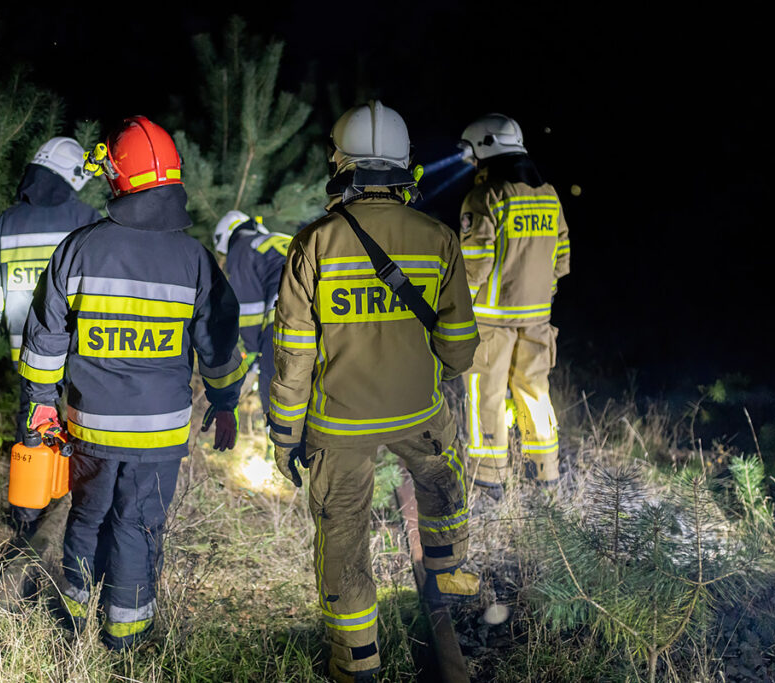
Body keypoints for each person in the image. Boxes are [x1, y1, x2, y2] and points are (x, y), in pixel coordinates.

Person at [268, 101, 480, 682]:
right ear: (405, 164)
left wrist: (285, 435)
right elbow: (459, 350)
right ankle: (446, 575)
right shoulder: (438, 238)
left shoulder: (314, 243)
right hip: (418, 412)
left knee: (343, 536)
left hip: (339, 424)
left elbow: (294, 355)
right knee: (441, 480)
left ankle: (357, 660)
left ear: (341, 163)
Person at [18, 117, 245, 650]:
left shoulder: (78, 249)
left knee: (87, 516)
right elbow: (218, 345)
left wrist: (41, 403)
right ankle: (127, 637)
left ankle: (72, 619)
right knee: (139, 525)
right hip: (159, 432)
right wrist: (225, 402)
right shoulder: (194, 259)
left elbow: (46, 337)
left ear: (116, 176)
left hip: (91, 425)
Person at [0, 137, 101, 530]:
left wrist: (6, 319)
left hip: (27, 350)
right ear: (73, 177)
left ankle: (28, 515)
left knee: (32, 425)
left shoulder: (7, 221)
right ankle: (80, 503)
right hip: (81, 348)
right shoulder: (87, 218)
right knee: (85, 424)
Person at [457, 113, 570, 496]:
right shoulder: (549, 194)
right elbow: (562, 258)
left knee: (484, 394)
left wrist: (457, 305)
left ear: (485, 148)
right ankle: (545, 473)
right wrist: (542, 295)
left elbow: (475, 264)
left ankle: (488, 477)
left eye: (472, 153)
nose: (472, 161)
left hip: (492, 321)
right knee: (535, 391)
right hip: (537, 318)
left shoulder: (485, 197)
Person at [212, 210, 290, 418]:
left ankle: (278, 432)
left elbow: (249, 314)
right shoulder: (277, 239)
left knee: (275, 391)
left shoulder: (241, 248)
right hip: (324, 316)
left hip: (285, 318)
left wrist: (254, 361)